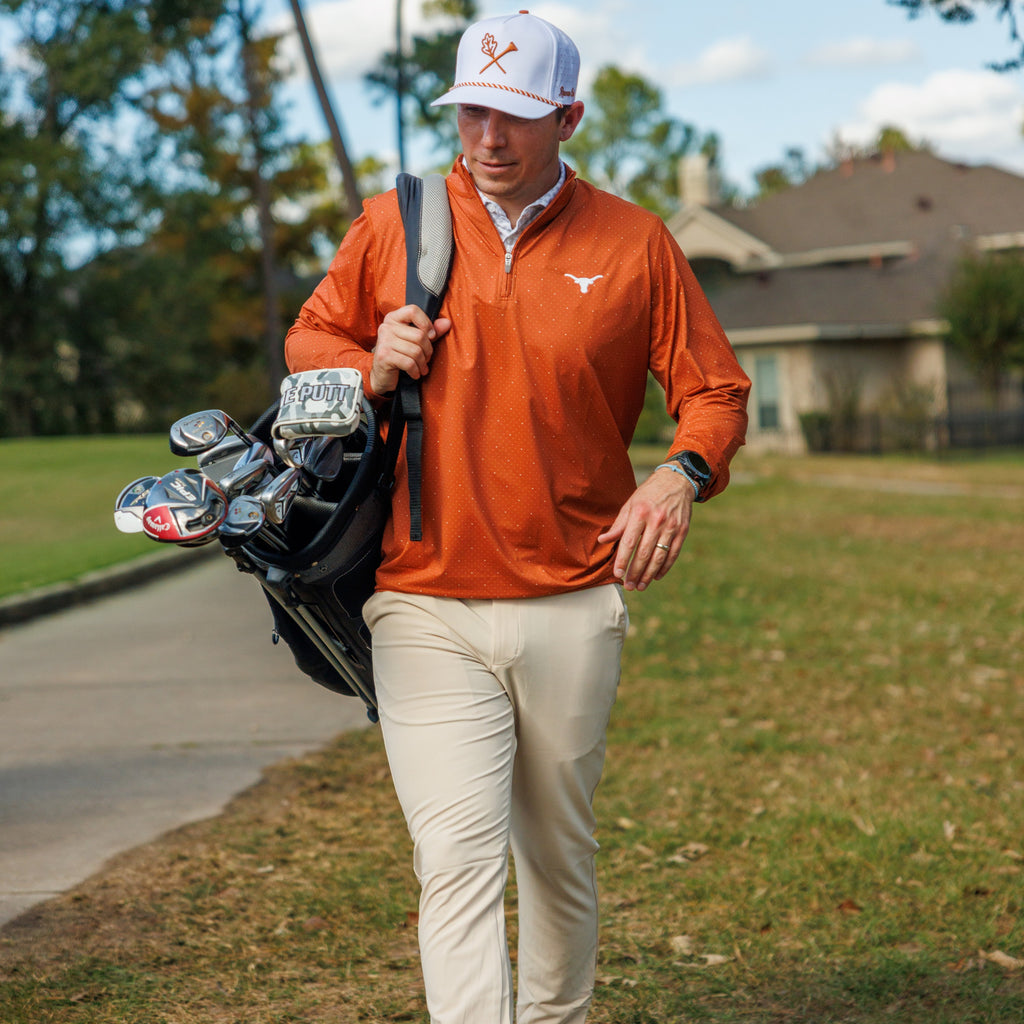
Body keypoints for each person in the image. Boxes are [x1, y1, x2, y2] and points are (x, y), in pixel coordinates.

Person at [285, 11, 750, 1023]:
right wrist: (365, 363)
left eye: (515, 116)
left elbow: (713, 389)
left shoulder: (634, 243)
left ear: (567, 117)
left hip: (573, 596)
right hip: (422, 598)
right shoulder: (391, 224)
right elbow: (306, 342)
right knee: (453, 856)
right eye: (471, 112)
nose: (487, 138)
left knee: (556, 853)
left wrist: (678, 476)